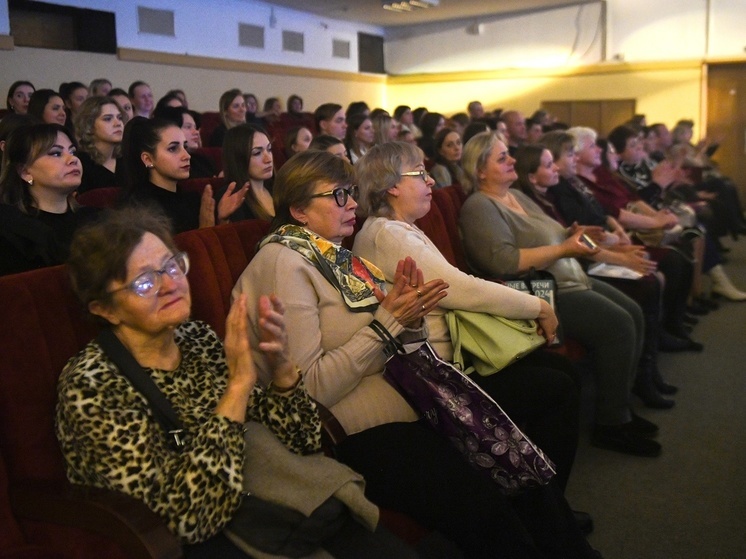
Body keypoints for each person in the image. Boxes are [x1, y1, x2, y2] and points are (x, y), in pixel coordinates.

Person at [233, 149, 602, 559]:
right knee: (489, 504)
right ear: (299, 210)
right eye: (338, 195)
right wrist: (390, 323)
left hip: (414, 401)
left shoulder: (334, 256)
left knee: (515, 464)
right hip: (360, 435)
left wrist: (409, 317)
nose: (353, 202)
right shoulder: (284, 263)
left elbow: (402, 339)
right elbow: (309, 391)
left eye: (351, 192)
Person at [57, 206, 416, 558]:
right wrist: (238, 387)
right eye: (145, 281)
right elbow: (187, 518)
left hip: (279, 505)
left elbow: (303, 441)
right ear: (103, 308)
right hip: (207, 535)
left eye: (171, 265)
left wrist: (282, 370)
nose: (171, 285)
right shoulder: (92, 385)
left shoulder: (196, 338)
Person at [353, 141, 582, 493]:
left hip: (454, 355)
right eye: (420, 174)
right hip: (442, 372)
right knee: (558, 388)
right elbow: (459, 288)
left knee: (559, 372)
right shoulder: (388, 234)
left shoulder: (399, 228)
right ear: (391, 185)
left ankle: (542, 493)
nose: (431, 182)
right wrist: (539, 307)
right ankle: (543, 499)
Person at [459, 132, 662, 457]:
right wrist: (564, 246)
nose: (512, 160)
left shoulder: (517, 197)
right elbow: (503, 261)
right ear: (480, 170)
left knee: (634, 312)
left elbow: (549, 236)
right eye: (501, 158)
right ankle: (611, 424)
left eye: (508, 154)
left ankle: (620, 406)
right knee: (620, 324)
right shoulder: (479, 206)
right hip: (542, 291)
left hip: (571, 277)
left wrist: (573, 234)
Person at [0, 123, 97, 275]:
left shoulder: (97, 218)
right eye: (56, 153)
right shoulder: (13, 231)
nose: (72, 159)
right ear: (25, 172)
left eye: (72, 151)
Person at [120, 117, 247, 233]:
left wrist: (222, 220)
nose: (187, 156)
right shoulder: (139, 210)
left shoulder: (192, 200)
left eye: (184, 146)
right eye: (173, 149)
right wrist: (204, 230)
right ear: (148, 159)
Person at [221, 124, 274, 221]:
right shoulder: (232, 197)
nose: (268, 159)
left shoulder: (278, 188)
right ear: (238, 159)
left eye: (269, 149)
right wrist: (223, 220)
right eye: (257, 153)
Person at [73, 96, 126, 193]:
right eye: (108, 119)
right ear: (89, 125)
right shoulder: (80, 163)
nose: (118, 123)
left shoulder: (126, 158)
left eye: (119, 118)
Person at [154, 106, 215, 178]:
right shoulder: (168, 164)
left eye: (195, 127)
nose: (196, 132)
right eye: (188, 127)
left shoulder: (202, 160)